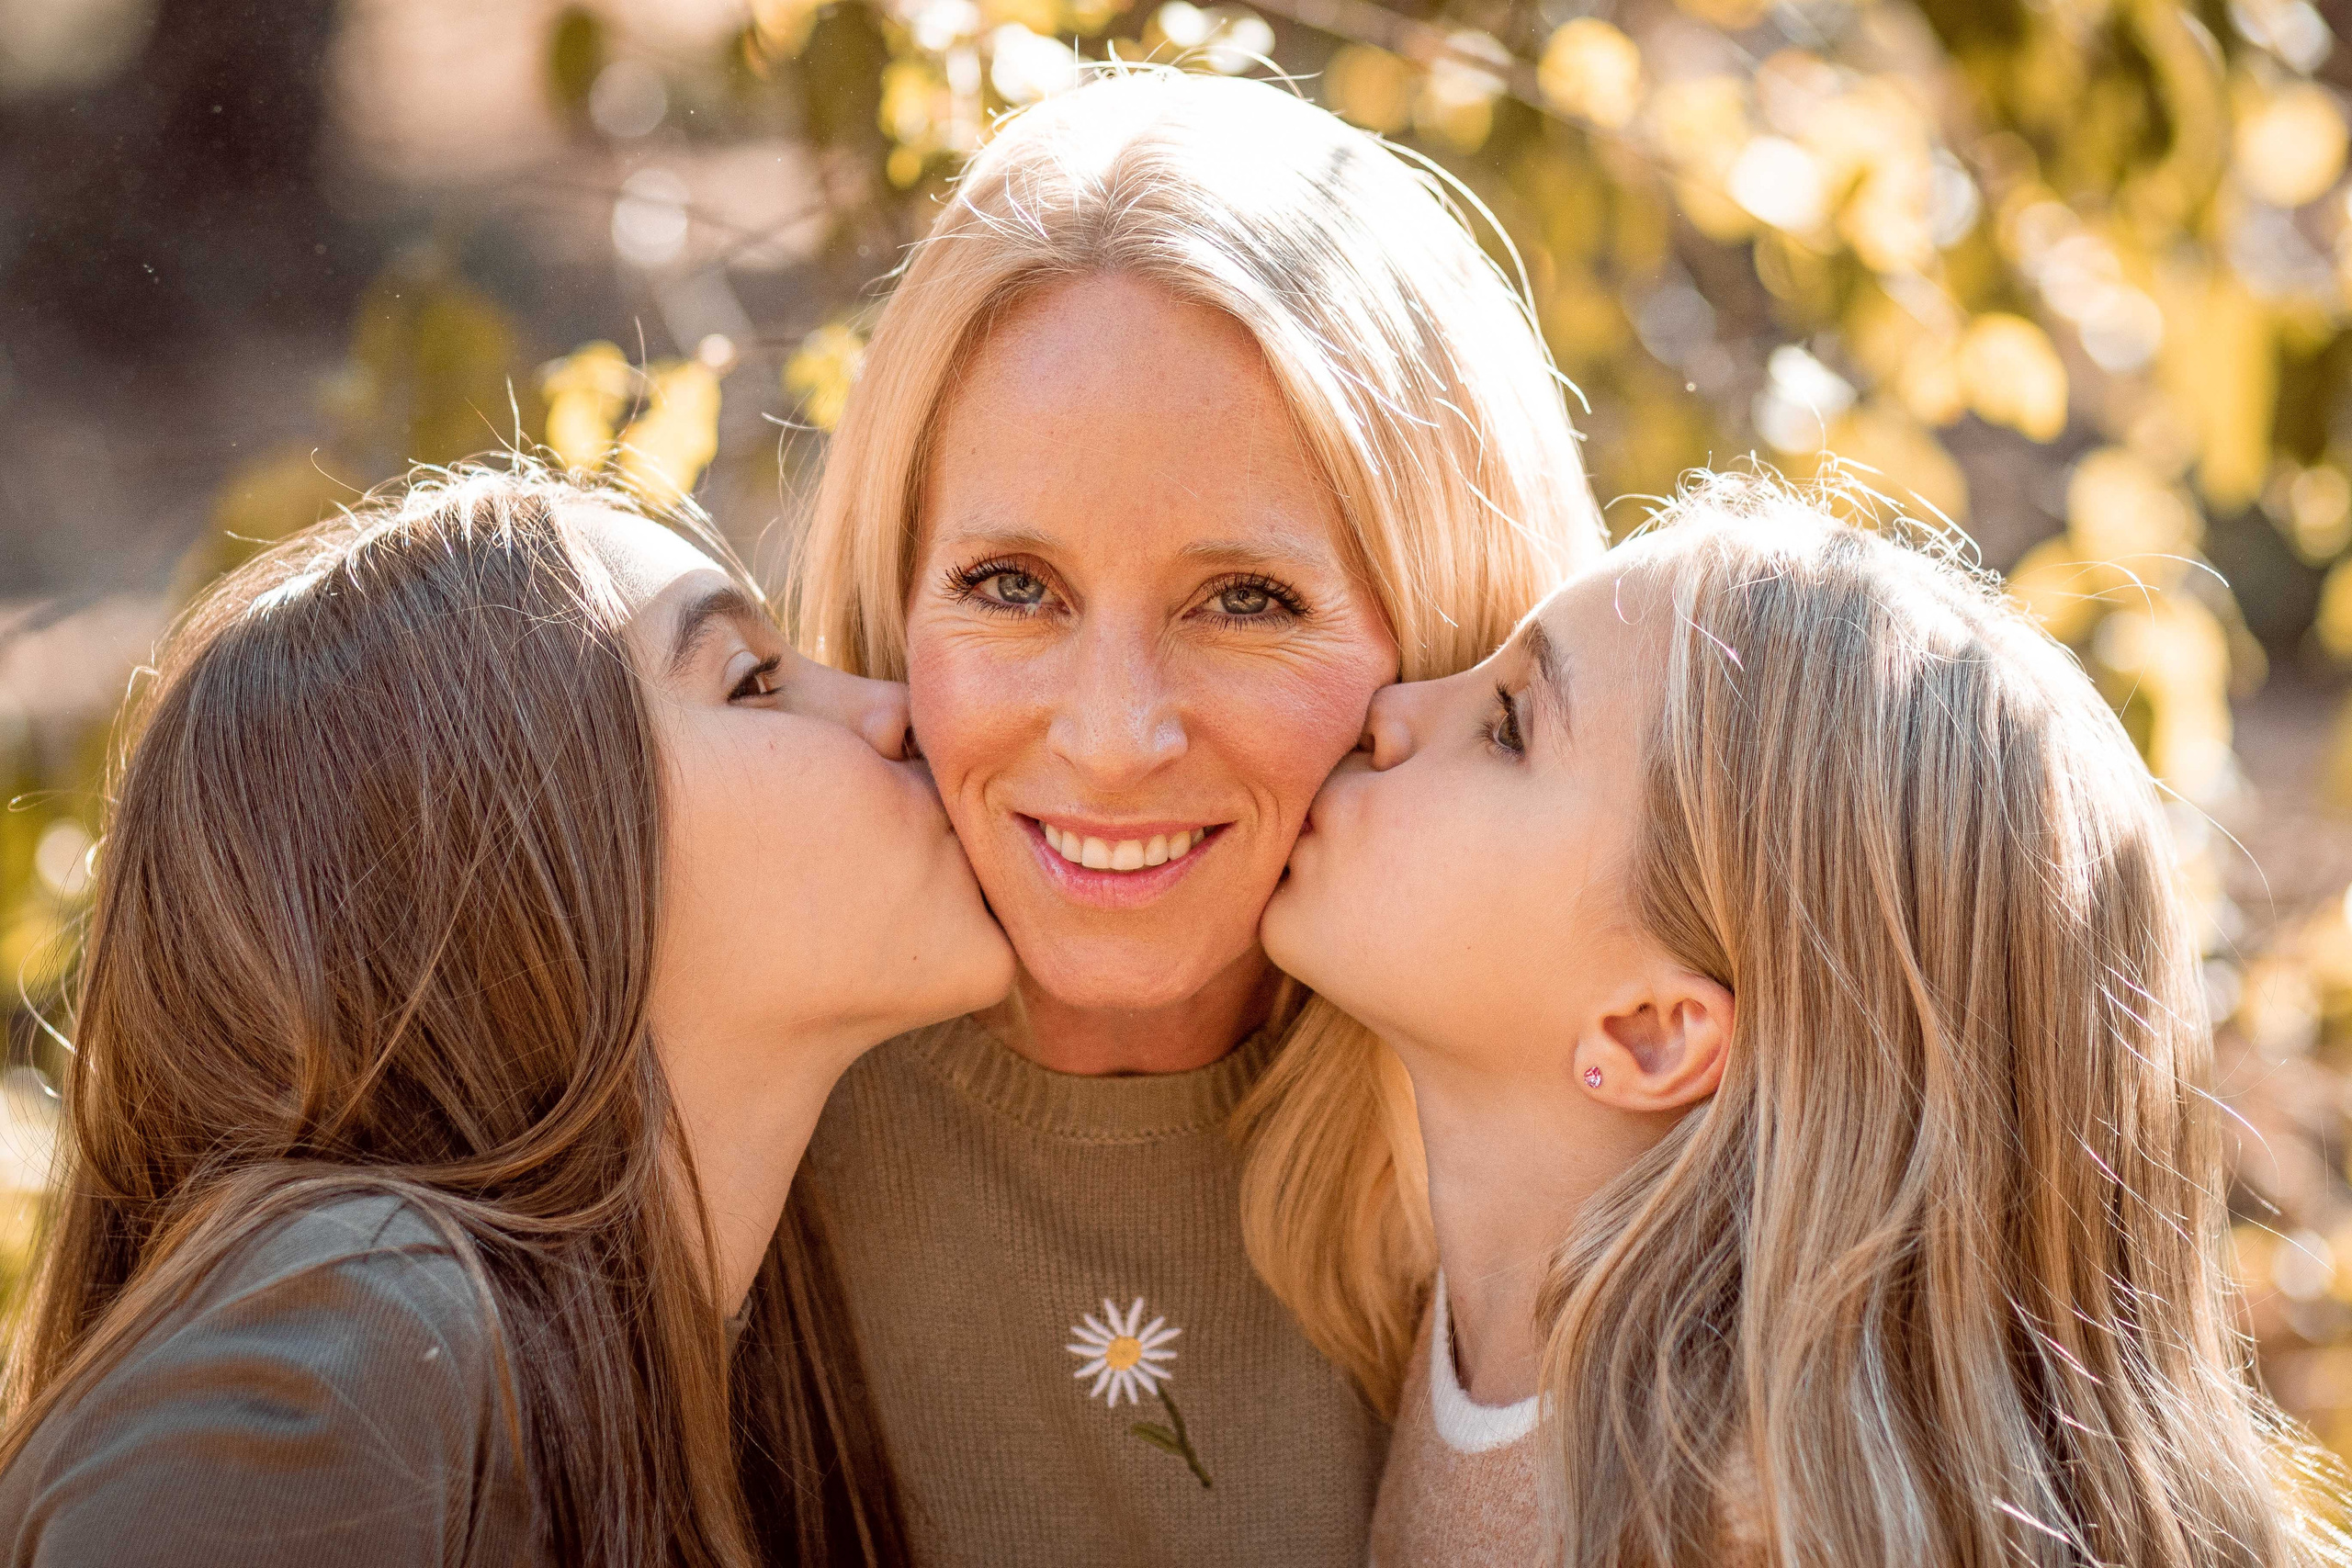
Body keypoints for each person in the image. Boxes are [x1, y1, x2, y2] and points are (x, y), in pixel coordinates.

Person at [784, 65, 1601, 1566]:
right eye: (1010, 586)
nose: (1110, 741)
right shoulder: (729, 1100)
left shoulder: (1591, 1132)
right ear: (894, 595)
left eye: (1249, 599)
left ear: (1442, 632)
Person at [1261, 473, 2352, 1566]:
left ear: (1651, 1032)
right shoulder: (1439, 1305)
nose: (1392, 709)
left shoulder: (1728, 1525)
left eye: (1505, 726)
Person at [0, 465, 1013, 1568]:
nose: (901, 712)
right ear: (505, 877)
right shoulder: (359, 1333)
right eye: (754, 683)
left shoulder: (686, 1400)